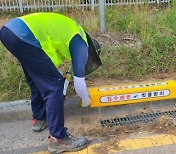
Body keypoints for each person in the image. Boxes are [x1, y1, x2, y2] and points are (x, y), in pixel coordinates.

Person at [0, 12, 102, 153]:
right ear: (91, 51)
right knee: (54, 86)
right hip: (23, 34)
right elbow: (79, 83)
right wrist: (86, 100)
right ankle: (58, 139)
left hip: (10, 31)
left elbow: (46, 63)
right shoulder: (81, 44)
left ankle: (39, 119)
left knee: (38, 80)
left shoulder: (71, 32)